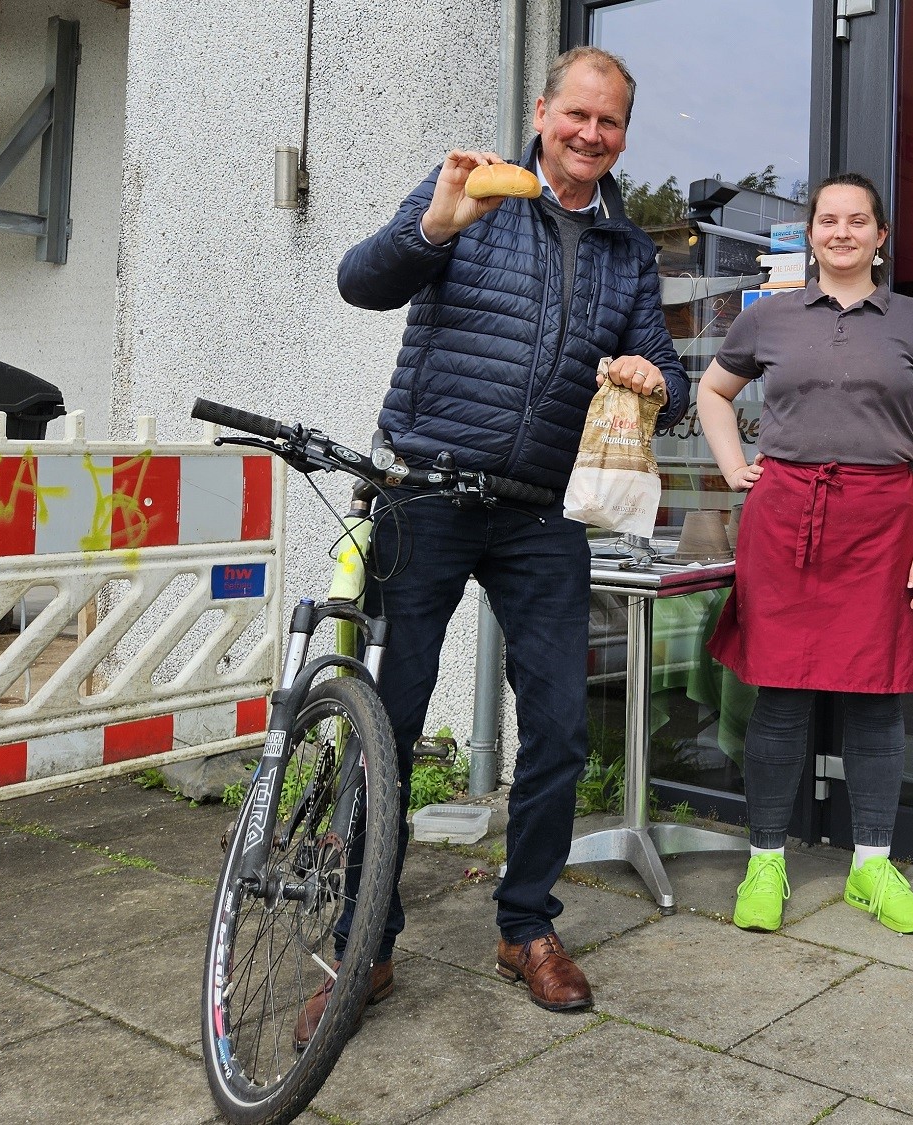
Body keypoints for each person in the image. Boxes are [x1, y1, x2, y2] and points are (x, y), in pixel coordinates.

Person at [300, 46, 686, 1043]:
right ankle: (362, 942)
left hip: (541, 513)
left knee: (558, 724)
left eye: (610, 124)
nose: (591, 136)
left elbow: (670, 377)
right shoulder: (468, 191)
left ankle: (526, 927)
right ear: (543, 109)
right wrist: (436, 222)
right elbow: (359, 282)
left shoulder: (626, 250)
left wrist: (652, 377)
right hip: (422, 496)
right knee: (385, 724)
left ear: (621, 136)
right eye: (578, 116)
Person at [697, 172, 913, 936]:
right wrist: (728, 463)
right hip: (785, 521)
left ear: (882, 236)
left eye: (858, 221)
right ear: (810, 234)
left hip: (882, 520)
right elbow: (715, 393)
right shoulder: (771, 318)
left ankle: (871, 867)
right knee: (778, 695)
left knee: (878, 696)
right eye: (827, 221)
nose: (841, 232)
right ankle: (766, 860)